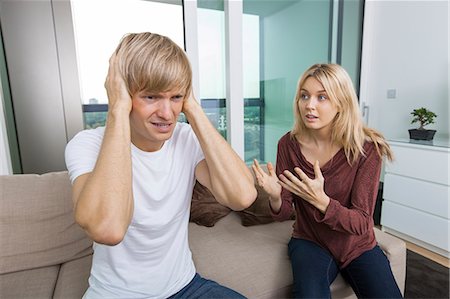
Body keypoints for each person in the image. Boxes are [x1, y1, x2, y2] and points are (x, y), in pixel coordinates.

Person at [65, 32, 257, 299]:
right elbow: (108, 229)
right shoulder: (87, 145)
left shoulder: (186, 139)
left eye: (176, 97)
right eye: (151, 97)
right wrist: (117, 110)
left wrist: (191, 106)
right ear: (122, 92)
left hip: (186, 287)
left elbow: (242, 196)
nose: (167, 114)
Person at [252, 63, 403, 299]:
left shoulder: (366, 148)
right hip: (310, 241)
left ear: (341, 102)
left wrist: (322, 202)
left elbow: (363, 223)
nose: (309, 105)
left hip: (357, 245)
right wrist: (274, 196)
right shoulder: (288, 145)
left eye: (322, 97)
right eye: (304, 96)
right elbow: (284, 212)